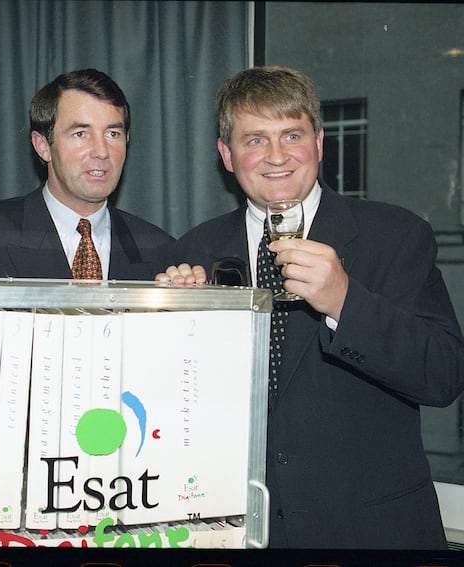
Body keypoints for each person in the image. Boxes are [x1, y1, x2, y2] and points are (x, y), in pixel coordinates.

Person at [158, 66, 464, 549]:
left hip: (370, 533)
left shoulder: (396, 235)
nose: (276, 157)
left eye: (291, 135)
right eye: (255, 140)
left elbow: (443, 376)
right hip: (235, 530)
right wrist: (168, 327)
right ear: (226, 155)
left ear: (319, 143)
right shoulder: (195, 248)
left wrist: (345, 301)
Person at [0, 68, 172, 280]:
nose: (102, 152)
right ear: (43, 146)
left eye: (113, 134)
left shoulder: (160, 251)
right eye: (81, 134)